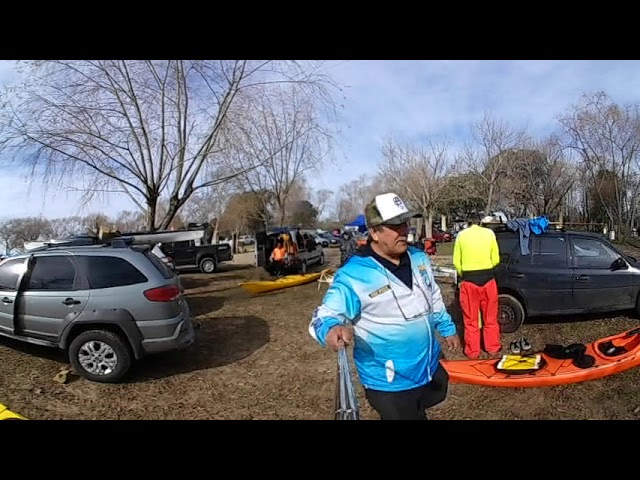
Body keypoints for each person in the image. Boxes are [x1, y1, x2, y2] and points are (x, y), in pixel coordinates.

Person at [309, 192, 461, 420]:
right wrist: (330, 329)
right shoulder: (354, 275)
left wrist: (447, 328)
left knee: (424, 407)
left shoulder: (419, 258)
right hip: (389, 382)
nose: (404, 230)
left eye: (405, 223)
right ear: (374, 232)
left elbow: (433, 297)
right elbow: (322, 317)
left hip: (428, 367)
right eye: (394, 225)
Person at [453, 213, 501, 359]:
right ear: (480, 222)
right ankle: (492, 347)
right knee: (490, 317)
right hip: (488, 280)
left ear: (468, 222)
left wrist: (465, 273)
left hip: (469, 281)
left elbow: (456, 262)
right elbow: (496, 259)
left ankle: (472, 351)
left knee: (470, 319)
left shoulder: (461, 236)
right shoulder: (489, 233)